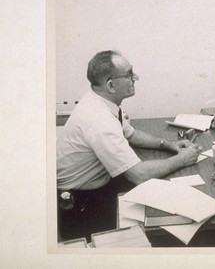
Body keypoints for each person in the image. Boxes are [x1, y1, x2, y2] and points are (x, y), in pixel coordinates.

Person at [57, 50, 201, 241]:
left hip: (98, 185)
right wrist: (182, 159)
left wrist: (168, 144)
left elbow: (130, 134)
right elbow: (138, 174)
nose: (135, 78)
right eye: (129, 74)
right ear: (110, 85)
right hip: (82, 205)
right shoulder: (98, 119)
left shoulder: (101, 101)